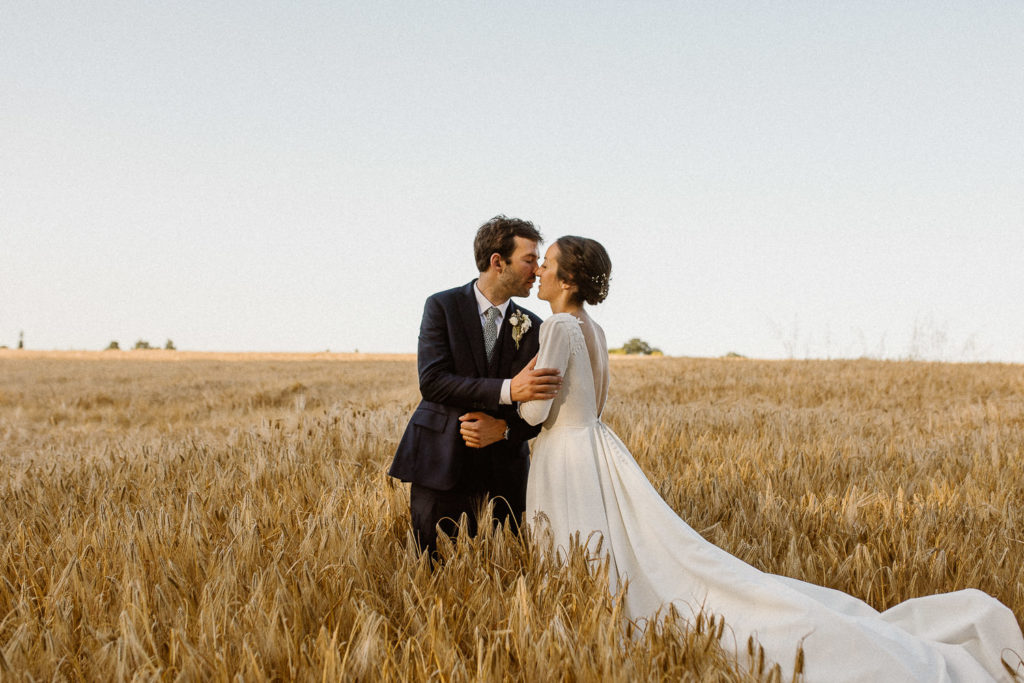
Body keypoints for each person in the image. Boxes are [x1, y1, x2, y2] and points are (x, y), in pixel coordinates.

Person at [518, 236, 1024, 682]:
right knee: (626, 552)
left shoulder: (557, 328)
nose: (538, 270)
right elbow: (597, 401)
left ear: (567, 278)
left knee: (579, 551)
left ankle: (590, 635)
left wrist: (510, 394)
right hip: (599, 446)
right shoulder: (595, 330)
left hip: (565, 455)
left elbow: (539, 411)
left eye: (548, 264)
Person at [389, 216, 562, 559]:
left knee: (503, 577)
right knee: (431, 572)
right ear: (498, 262)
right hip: (440, 466)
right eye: (529, 260)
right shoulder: (442, 306)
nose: (537, 270)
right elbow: (433, 382)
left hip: (505, 477)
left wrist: (504, 430)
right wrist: (509, 389)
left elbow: (544, 408)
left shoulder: (535, 326)